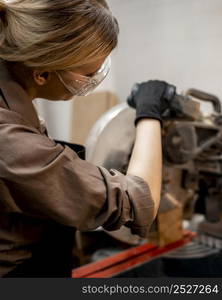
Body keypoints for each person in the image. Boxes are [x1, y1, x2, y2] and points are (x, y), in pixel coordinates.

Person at [0, 0, 172, 277]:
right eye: (88, 75)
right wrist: (149, 113)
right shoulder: (9, 141)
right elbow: (140, 200)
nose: (94, 81)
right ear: (42, 73)